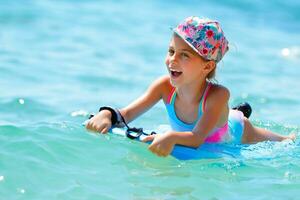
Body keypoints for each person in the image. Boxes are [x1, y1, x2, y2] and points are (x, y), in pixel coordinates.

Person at [86, 16, 296, 157]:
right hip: (211, 120)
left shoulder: (218, 94)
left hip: (235, 130)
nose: (172, 60)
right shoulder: (163, 87)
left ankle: (258, 122)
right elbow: (126, 114)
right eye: (170, 51)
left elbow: (196, 139)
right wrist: (107, 114)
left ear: (207, 66)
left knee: (286, 143)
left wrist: (171, 136)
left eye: (184, 55)